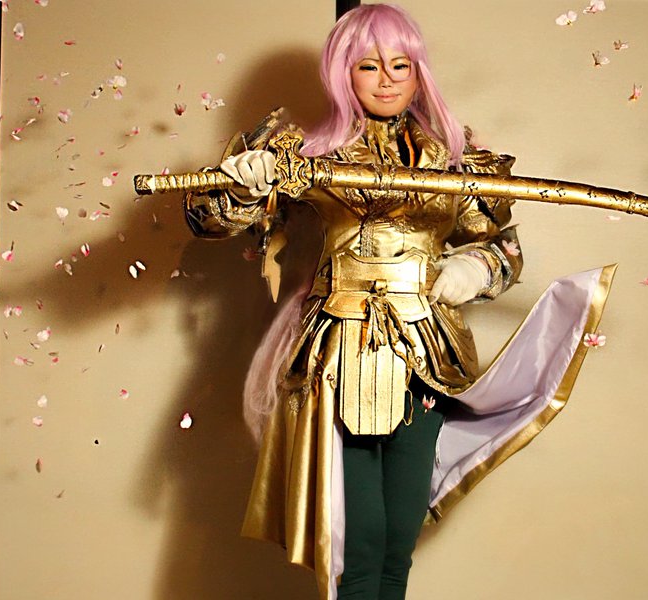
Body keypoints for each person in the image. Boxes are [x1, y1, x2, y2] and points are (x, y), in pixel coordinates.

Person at [183, 5, 614, 599]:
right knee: (358, 546)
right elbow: (208, 219)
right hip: (341, 350)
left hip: (427, 353)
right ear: (342, 72)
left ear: (418, 70)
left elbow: (503, 245)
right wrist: (241, 184)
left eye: (400, 65)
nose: (386, 79)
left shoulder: (454, 155)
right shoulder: (306, 151)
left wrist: (474, 267)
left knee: (396, 543)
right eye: (368, 65)